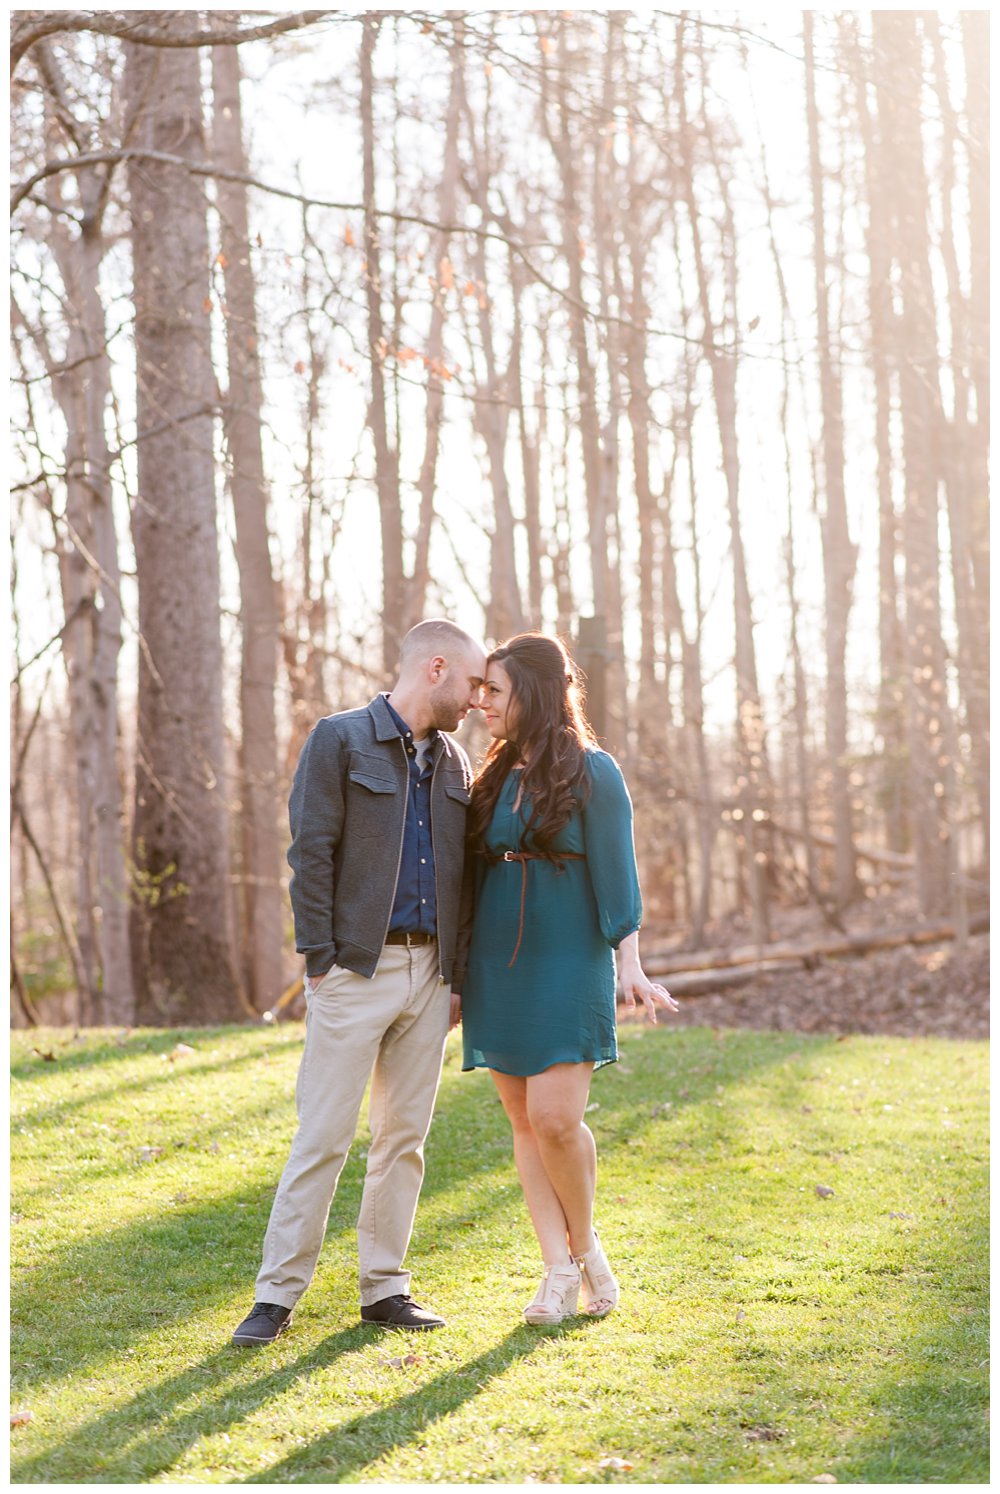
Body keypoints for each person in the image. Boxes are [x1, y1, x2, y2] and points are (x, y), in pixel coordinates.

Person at [232, 619, 487, 1345]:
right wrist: (320, 958)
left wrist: (457, 976)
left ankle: (385, 1289)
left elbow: (463, 879)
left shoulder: (456, 763)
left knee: (403, 1139)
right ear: (434, 668)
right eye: (470, 683)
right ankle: (276, 1296)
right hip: (354, 970)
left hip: (431, 976)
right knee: (324, 1136)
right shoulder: (339, 739)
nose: (476, 698)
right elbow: (310, 852)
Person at [457, 633, 677, 1325]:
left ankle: (587, 1252)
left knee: (557, 1118)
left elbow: (618, 875)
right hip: (497, 962)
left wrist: (629, 965)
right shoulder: (490, 773)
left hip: (567, 960)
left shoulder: (593, 771)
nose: (481, 701)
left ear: (535, 691)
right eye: (480, 689)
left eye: (495, 689)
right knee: (524, 1123)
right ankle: (555, 1270)